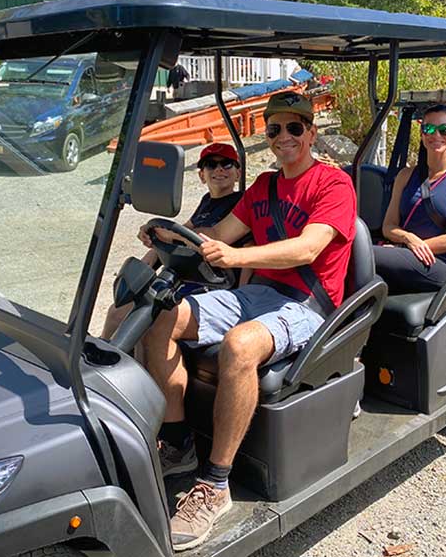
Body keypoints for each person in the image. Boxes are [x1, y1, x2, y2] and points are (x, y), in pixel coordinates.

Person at [139, 92, 357, 551]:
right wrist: (166, 237)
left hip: (307, 303)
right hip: (258, 294)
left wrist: (238, 255)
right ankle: (179, 442)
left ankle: (216, 485)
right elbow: (217, 235)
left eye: (294, 128)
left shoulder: (332, 185)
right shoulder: (263, 187)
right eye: (274, 129)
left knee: (240, 345)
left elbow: (307, 249)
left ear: (311, 133)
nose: (284, 138)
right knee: (160, 318)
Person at [100, 142, 244, 341]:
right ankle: (99, 359)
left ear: (238, 173)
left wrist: (172, 234)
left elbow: (212, 236)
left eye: (227, 164)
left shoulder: (241, 203)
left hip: (213, 284)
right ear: (202, 176)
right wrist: (155, 235)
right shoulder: (207, 201)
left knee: (149, 320)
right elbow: (184, 230)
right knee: (118, 310)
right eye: (211, 165)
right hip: (189, 278)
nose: (219, 169)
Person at [373, 103, 446, 294]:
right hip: (405, 252)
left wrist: (407, 249)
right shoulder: (405, 176)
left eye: (444, 130)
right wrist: (408, 239)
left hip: (440, 262)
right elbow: (389, 226)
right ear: (422, 134)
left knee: (365, 254)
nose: (436, 135)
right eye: (429, 129)